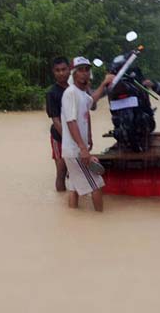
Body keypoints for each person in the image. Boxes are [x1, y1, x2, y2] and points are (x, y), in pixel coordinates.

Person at [61, 57, 114, 212]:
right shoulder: (70, 93)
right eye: (81, 70)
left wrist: (104, 84)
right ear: (74, 74)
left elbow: (91, 102)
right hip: (75, 150)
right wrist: (83, 149)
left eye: (87, 69)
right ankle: (100, 220)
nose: (84, 73)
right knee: (96, 184)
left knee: (74, 187)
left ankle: (74, 220)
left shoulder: (82, 94)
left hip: (77, 149)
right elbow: (71, 122)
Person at [46, 57, 71, 192]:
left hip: (75, 137)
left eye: (63, 69)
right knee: (61, 171)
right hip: (59, 137)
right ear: (53, 72)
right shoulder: (52, 93)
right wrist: (68, 139)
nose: (61, 73)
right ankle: (61, 197)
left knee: (76, 172)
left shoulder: (75, 88)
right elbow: (56, 120)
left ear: (69, 70)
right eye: (57, 70)